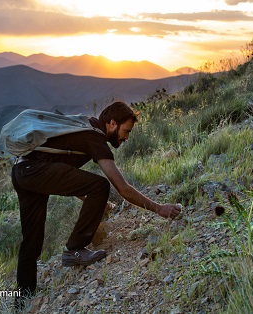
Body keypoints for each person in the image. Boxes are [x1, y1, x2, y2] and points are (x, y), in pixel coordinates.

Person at [11, 101, 182, 297]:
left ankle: (24, 298)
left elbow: (61, 166)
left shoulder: (86, 125)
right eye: (126, 131)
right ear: (112, 123)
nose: (126, 137)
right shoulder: (94, 137)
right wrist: (159, 208)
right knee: (100, 185)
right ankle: (74, 249)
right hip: (35, 171)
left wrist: (92, 199)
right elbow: (123, 188)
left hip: (22, 172)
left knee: (31, 241)